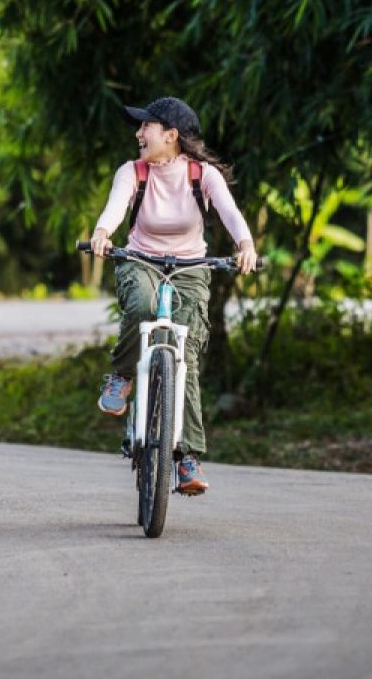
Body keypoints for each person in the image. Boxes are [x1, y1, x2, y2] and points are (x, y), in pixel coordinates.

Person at [90, 97, 258, 495]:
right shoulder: (134, 172)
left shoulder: (204, 175)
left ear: (171, 135)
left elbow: (230, 213)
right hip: (140, 259)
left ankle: (187, 458)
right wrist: (102, 233)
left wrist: (246, 244)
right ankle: (122, 375)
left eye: (145, 127)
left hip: (190, 267)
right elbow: (116, 206)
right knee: (143, 306)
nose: (138, 134)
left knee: (187, 354)